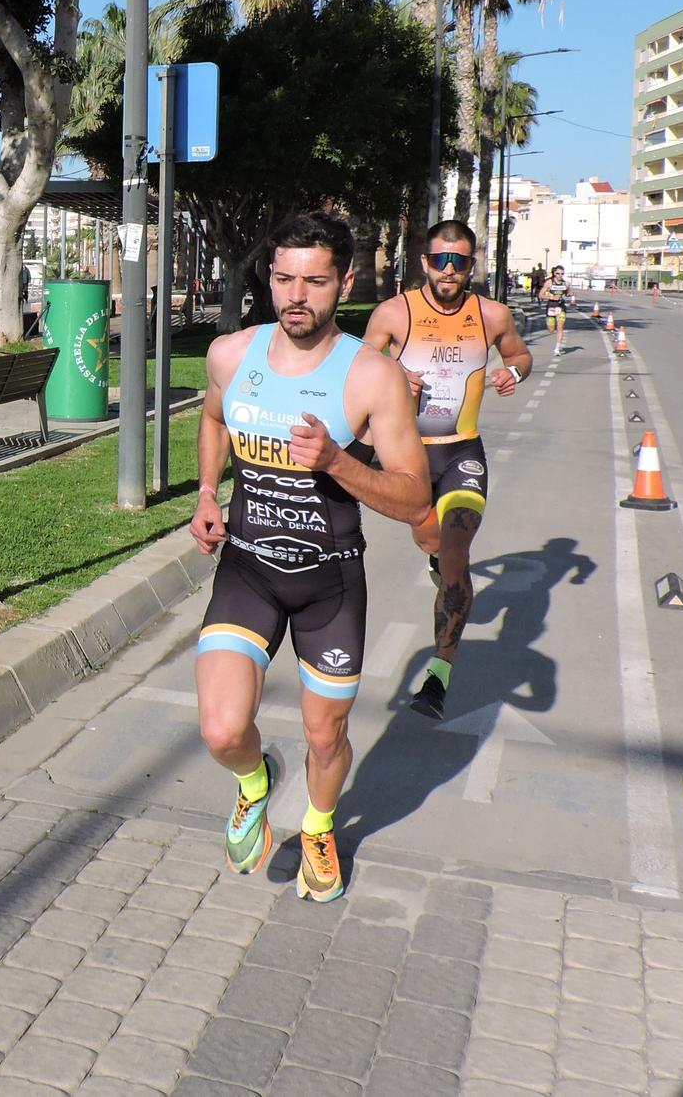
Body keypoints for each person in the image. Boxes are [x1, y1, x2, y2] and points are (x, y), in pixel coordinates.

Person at [189, 212, 431, 902]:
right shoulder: (232, 355)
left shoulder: (373, 377)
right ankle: (255, 781)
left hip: (330, 584)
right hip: (248, 570)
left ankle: (319, 825)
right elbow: (213, 418)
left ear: (344, 281)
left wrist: (336, 462)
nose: (297, 295)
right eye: (284, 278)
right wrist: (208, 492)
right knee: (221, 727)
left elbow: (414, 497)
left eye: (315, 281)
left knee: (326, 738)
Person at [361, 221, 534, 721]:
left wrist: (513, 371)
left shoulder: (492, 315)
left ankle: (439, 674)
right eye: (441, 260)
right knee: (433, 542)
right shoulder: (395, 313)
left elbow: (521, 353)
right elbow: (358, 366)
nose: (450, 270)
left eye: (460, 261)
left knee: (456, 554)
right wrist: (394, 375)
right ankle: (437, 557)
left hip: (462, 453)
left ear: (471, 265)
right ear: (425, 262)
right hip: (407, 456)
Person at [540, 265, 570, 352]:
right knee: (551, 329)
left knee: (560, 327)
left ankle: (557, 348)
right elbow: (540, 295)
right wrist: (552, 297)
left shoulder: (566, 283)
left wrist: (570, 293)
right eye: (558, 273)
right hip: (551, 307)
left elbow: (569, 293)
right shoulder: (549, 283)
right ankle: (551, 329)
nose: (560, 275)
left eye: (562, 274)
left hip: (561, 307)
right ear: (554, 273)